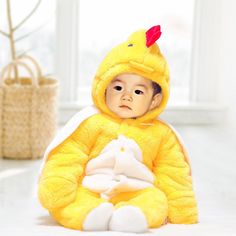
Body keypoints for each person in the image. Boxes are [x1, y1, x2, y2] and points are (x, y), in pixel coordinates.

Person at [38, 25, 198, 233]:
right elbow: (68, 155)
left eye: (138, 91)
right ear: (104, 87)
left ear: (154, 100)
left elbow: (173, 172)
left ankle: (133, 217)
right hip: (91, 187)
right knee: (69, 201)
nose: (126, 96)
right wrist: (58, 183)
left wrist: (182, 208)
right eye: (118, 87)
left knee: (156, 201)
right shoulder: (91, 123)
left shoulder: (161, 134)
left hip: (136, 190)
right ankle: (89, 215)